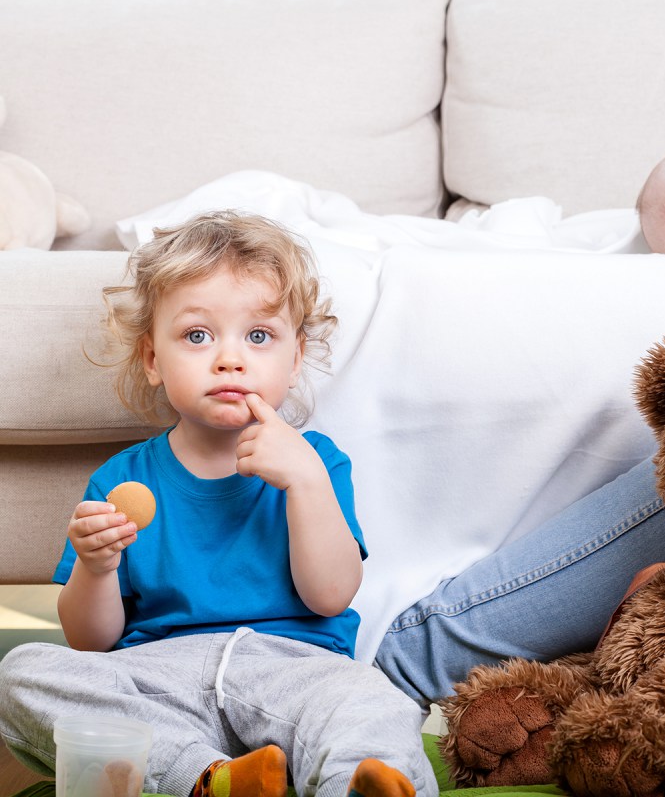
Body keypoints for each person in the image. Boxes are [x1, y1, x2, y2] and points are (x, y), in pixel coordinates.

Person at [0, 211, 430, 797]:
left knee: (373, 702)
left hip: (296, 673)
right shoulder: (121, 478)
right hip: (161, 679)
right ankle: (211, 779)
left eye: (259, 336)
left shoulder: (318, 462)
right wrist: (96, 568)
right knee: (25, 670)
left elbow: (330, 595)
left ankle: (352, 787)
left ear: (295, 359)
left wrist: (306, 482)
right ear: (153, 359)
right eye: (198, 336)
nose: (230, 359)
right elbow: (90, 642)